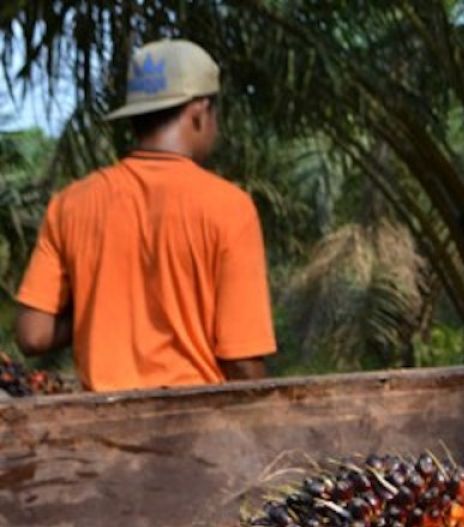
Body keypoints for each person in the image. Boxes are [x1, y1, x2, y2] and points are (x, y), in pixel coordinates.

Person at [14, 39, 276, 391]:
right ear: (199, 110)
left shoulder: (71, 203)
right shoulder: (229, 208)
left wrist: (103, 304)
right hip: (197, 431)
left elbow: (33, 334)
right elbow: (242, 362)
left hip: (97, 431)